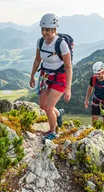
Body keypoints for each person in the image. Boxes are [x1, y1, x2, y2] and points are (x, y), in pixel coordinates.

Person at [30, 13, 72, 143]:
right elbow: (38, 59)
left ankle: (53, 132)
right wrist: (32, 75)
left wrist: (68, 88)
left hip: (60, 77)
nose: (44, 33)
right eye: (43, 29)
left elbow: (68, 67)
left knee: (48, 107)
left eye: (47, 30)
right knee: (42, 106)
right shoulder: (40, 42)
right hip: (45, 76)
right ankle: (58, 114)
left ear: (54, 29)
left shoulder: (61, 44)